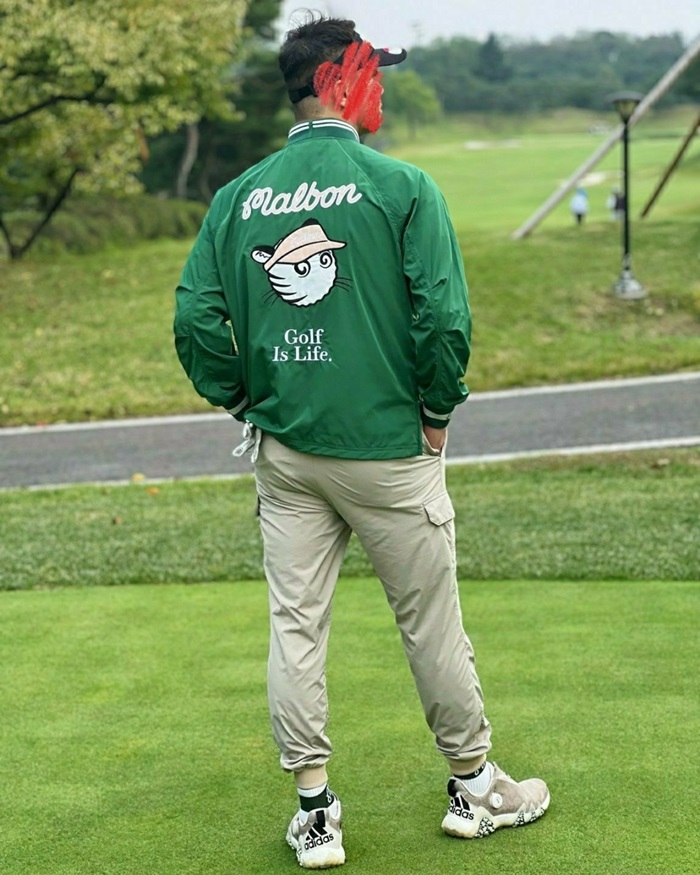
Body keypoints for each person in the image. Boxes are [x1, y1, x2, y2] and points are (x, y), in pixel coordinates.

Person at [174, 14, 549, 869]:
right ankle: (475, 786)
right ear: (338, 81)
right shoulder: (403, 186)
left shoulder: (238, 198)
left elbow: (195, 320)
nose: (380, 86)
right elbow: (443, 318)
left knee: (295, 628)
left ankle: (315, 814)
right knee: (431, 624)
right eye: (372, 72)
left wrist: (243, 396)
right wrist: (439, 408)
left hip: (287, 455)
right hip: (388, 451)